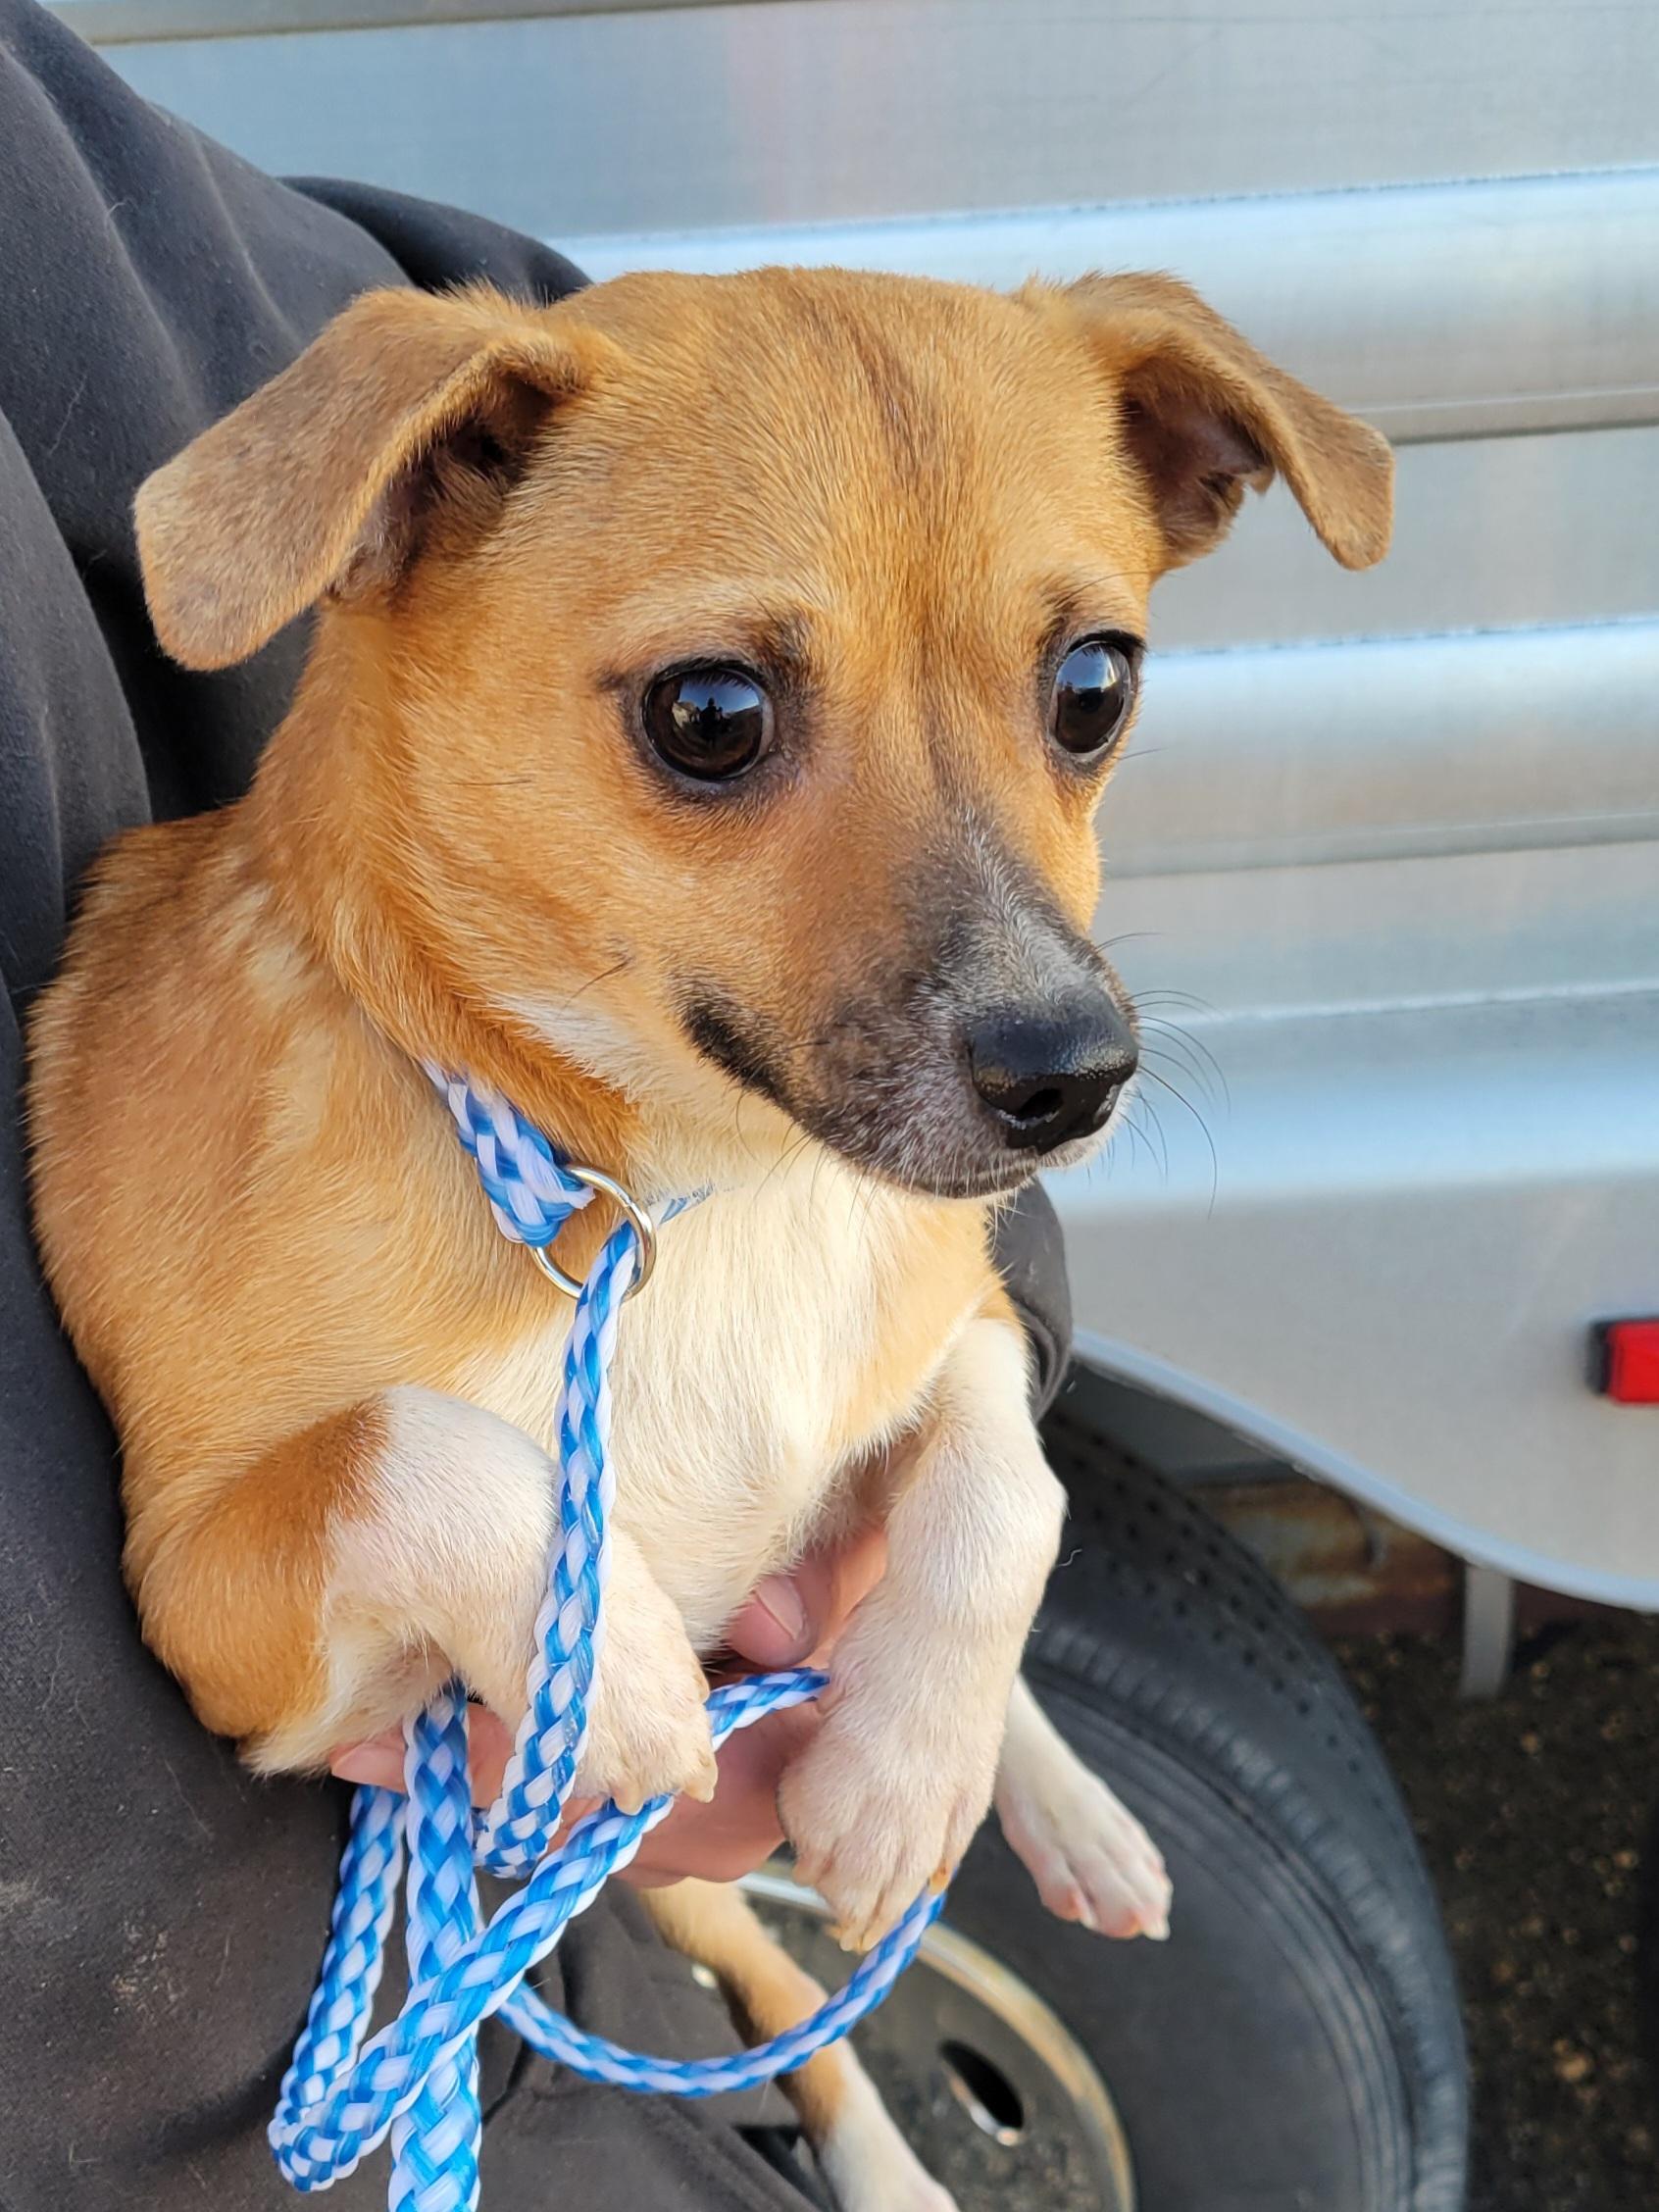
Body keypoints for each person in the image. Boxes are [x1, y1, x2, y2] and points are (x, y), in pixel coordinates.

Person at [0, 5, 1075, 2205]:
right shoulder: (287, 1165)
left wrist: (972, 1540)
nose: (1034, 974)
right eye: (716, 721)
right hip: (272, 2049)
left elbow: (959, 1308)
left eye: (1080, 697)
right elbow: (224, 1605)